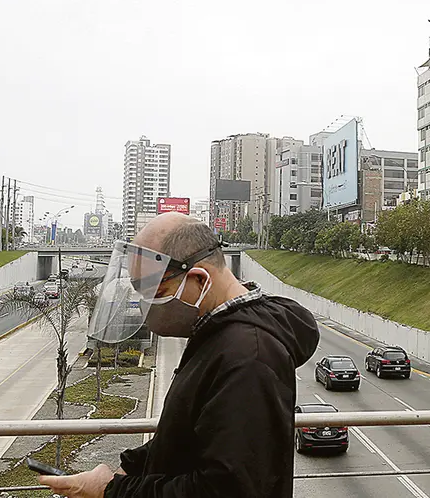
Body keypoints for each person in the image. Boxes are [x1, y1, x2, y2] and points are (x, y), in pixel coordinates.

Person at [39, 213, 319, 498]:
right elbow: (190, 434)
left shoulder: (248, 358)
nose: (146, 306)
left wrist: (111, 491)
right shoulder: (218, 334)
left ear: (199, 280)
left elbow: (227, 490)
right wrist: (131, 468)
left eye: (156, 292)